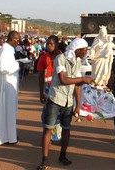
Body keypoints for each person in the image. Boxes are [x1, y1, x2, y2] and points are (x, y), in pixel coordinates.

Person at [37, 38, 92, 170]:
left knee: (66, 129)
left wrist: (78, 104)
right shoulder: (60, 59)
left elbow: (77, 85)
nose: (86, 52)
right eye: (84, 50)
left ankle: (63, 155)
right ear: (77, 50)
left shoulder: (78, 61)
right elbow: (63, 79)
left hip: (68, 101)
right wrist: (84, 79)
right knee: (48, 128)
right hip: (56, 98)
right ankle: (44, 159)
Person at [0, 31, 21, 145]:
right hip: (6, 86)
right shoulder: (5, 49)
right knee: (8, 110)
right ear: (12, 38)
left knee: (9, 111)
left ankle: (8, 135)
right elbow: (3, 68)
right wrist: (18, 65)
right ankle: (8, 137)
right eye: (17, 39)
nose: (19, 41)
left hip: (9, 84)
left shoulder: (8, 49)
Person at [37, 35, 62, 142]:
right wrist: (41, 93)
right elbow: (40, 76)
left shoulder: (63, 57)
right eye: (48, 44)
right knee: (48, 113)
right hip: (48, 88)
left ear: (57, 45)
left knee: (60, 113)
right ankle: (48, 137)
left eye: (52, 44)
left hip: (60, 89)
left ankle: (59, 136)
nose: (49, 46)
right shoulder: (43, 58)